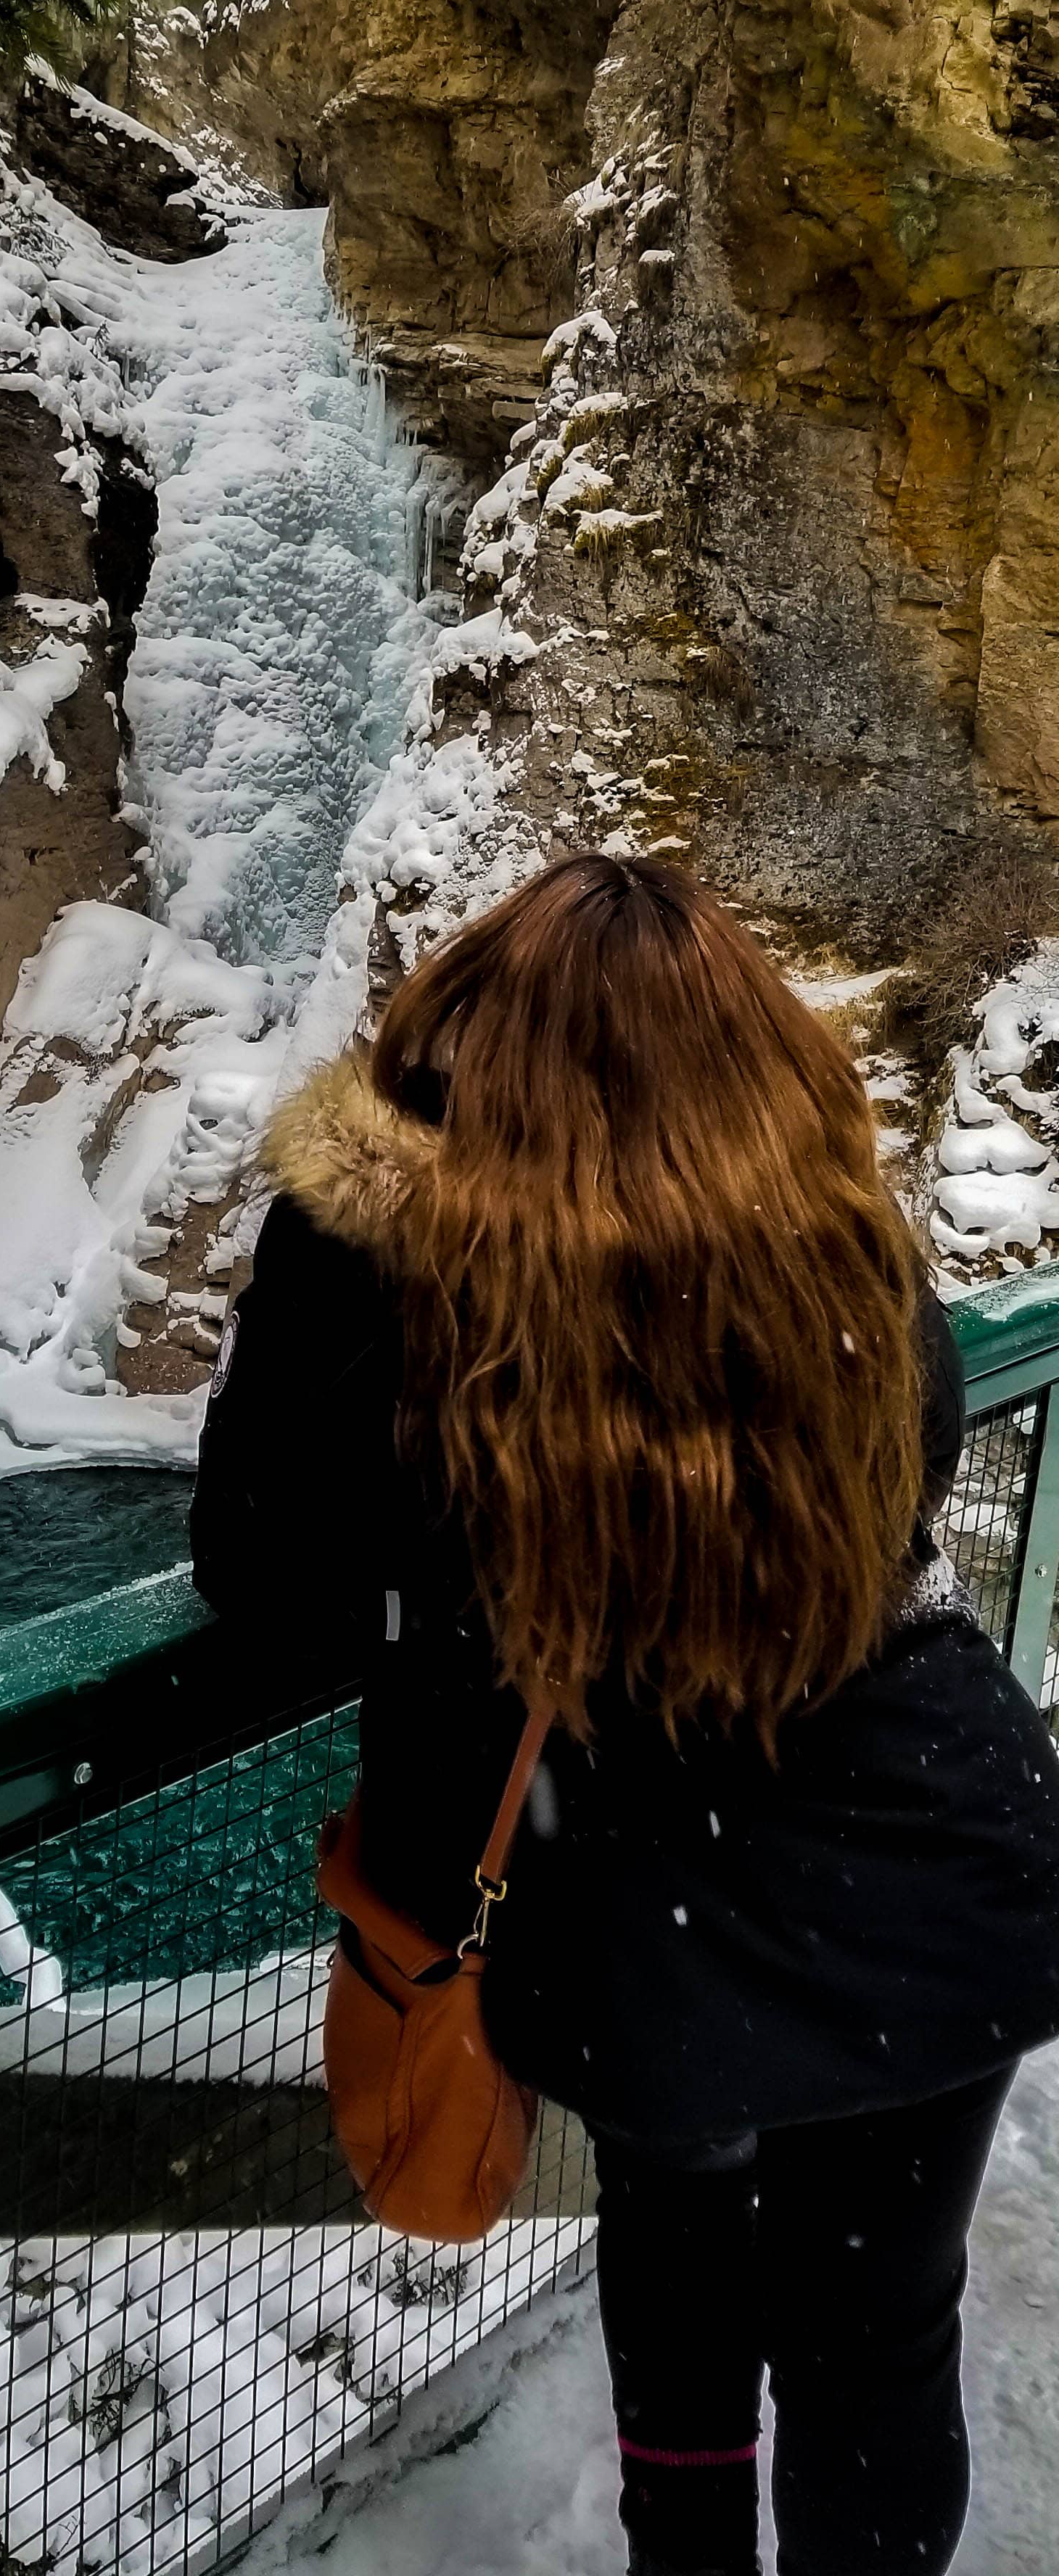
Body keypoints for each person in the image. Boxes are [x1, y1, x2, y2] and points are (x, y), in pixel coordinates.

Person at [189, 851, 1059, 2576]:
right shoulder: (823, 1226)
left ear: (462, 1054)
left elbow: (265, 1569)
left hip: (647, 1904)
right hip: (934, 1851)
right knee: (879, 2332)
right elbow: (911, 1469)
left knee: (675, 2255)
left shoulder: (398, 1276)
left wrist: (343, 1252)